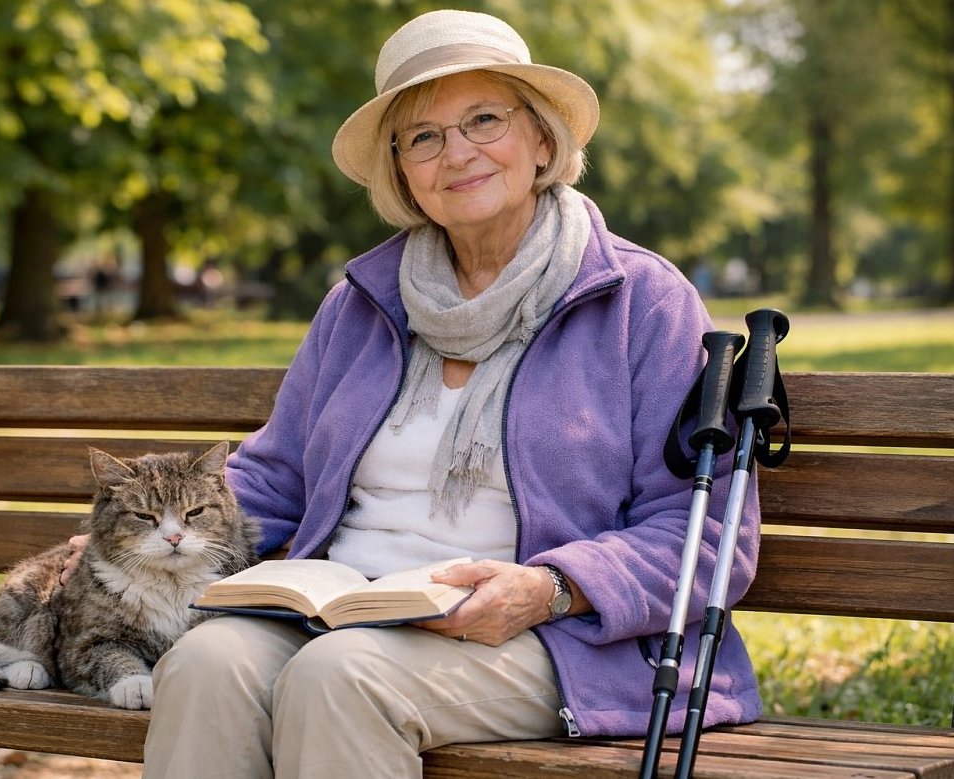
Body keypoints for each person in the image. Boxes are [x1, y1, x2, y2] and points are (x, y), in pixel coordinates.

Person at [85, 9, 763, 778]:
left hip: (550, 637)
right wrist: (130, 539)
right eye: (424, 136)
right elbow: (273, 476)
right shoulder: (361, 302)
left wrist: (551, 587)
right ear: (401, 169)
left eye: (484, 120)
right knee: (207, 661)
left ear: (542, 140)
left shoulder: (640, 300)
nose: (458, 152)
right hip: (339, 607)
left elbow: (707, 532)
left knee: (340, 677)